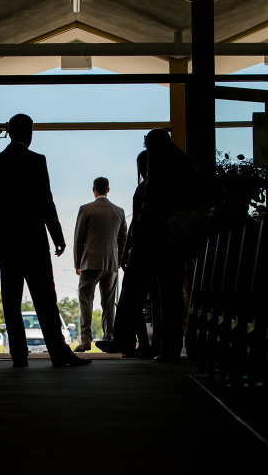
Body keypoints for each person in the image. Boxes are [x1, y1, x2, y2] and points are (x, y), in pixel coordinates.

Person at [0, 113, 90, 368]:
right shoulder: (36, 161)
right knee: (45, 299)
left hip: (8, 244)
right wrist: (57, 236)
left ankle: (19, 357)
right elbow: (46, 201)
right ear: (29, 133)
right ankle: (58, 353)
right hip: (33, 243)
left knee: (11, 302)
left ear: (9, 132)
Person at [130, 129, 199, 363]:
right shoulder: (181, 158)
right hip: (178, 232)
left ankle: (168, 348)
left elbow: (152, 197)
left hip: (162, 234)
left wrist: (140, 228)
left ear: (152, 144)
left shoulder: (158, 156)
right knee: (171, 293)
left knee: (166, 292)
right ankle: (172, 345)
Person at [96, 151, 159, 358]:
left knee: (130, 294)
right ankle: (140, 343)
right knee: (143, 298)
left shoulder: (143, 189)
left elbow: (136, 224)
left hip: (143, 249)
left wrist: (126, 253)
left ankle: (125, 341)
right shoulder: (159, 187)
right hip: (155, 248)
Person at [72, 177, 127, 351]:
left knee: (86, 300)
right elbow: (123, 238)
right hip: (111, 264)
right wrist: (119, 259)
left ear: (93, 190)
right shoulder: (119, 211)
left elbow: (78, 239)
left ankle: (86, 339)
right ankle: (109, 337)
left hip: (90, 262)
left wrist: (77, 262)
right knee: (108, 302)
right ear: (108, 190)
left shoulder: (86, 209)